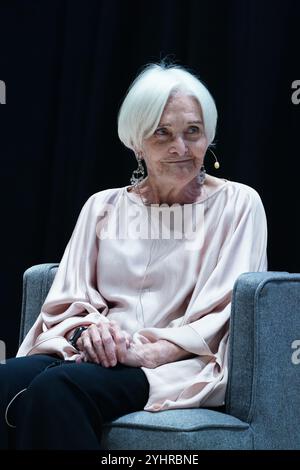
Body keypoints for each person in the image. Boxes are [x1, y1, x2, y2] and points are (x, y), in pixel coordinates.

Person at [0, 62, 268, 450]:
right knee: (8, 381)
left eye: (193, 131)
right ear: (136, 142)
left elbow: (223, 308)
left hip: (177, 363)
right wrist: (89, 333)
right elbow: (68, 300)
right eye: (163, 133)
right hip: (95, 355)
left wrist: (149, 351)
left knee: (57, 390)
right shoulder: (102, 207)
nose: (182, 148)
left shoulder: (239, 204)